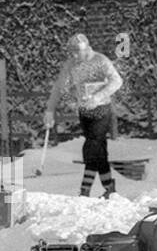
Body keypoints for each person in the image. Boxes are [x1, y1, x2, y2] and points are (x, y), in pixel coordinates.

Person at [45, 32, 123, 198]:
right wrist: (49, 110)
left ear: (86, 48)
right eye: (71, 52)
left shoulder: (101, 60)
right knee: (99, 150)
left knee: (91, 145)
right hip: (84, 112)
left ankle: (84, 190)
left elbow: (117, 81)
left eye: (76, 52)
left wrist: (98, 97)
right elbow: (59, 87)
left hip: (102, 109)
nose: (73, 56)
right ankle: (109, 188)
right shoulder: (71, 64)